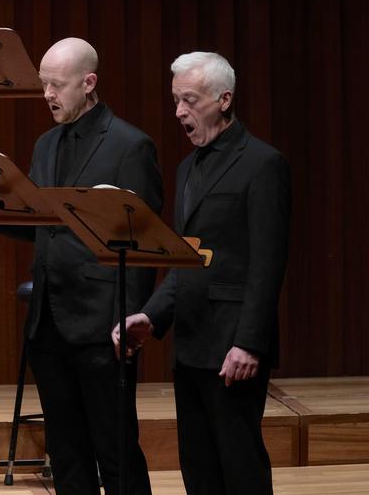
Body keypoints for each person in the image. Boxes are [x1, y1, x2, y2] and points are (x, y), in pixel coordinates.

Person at [114, 51, 291, 495]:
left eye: (189, 100)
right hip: (191, 340)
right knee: (199, 467)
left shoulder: (262, 164)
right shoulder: (187, 167)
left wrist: (250, 342)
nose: (179, 112)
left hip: (234, 345)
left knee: (239, 463)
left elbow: (268, 264)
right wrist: (151, 317)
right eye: (176, 101)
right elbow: (185, 260)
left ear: (224, 99)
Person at [14, 37, 162, 494]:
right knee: (66, 453)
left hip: (102, 325)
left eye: (56, 85)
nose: (48, 95)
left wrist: (131, 317)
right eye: (43, 85)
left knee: (115, 451)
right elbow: (42, 225)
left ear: (89, 82)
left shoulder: (130, 145)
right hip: (48, 324)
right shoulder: (45, 143)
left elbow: (143, 243)